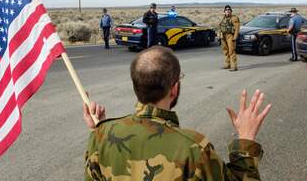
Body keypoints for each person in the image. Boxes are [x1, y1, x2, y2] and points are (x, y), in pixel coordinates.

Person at [83, 46, 271, 181]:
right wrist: (246, 139)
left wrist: (102, 129)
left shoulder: (100, 135)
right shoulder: (194, 148)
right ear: (174, 88)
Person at [219, 5, 240, 71]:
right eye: (226, 10)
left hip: (230, 36)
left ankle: (234, 66)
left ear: (231, 11)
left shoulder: (234, 18)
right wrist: (220, 36)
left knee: (231, 51)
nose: (227, 11)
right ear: (224, 11)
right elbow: (220, 27)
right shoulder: (223, 18)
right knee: (225, 51)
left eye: (229, 10)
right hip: (223, 36)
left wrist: (235, 37)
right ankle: (228, 64)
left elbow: (237, 28)